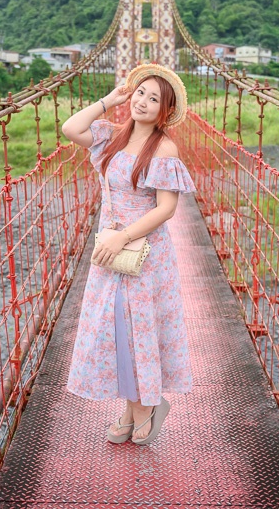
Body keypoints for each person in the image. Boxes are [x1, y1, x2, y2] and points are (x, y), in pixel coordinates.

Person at [61, 63, 195, 446]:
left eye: (154, 99)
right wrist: (110, 100)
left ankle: (145, 409)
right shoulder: (111, 136)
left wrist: (122, 239)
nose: (143, 102)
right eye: (140, 93)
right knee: (116, 330)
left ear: (164, 111)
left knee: (136, 331)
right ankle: (134, 409)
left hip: (144, 253)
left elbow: (166, 209)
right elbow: (71, 129)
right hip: (110, 247)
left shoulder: (164, 148)